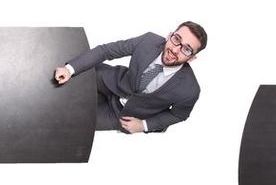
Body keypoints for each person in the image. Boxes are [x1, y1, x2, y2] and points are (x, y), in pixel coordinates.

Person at [54, 21, 206, 134]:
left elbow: (178, 114)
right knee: (66, 73)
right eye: (177, 39)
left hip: (123, 115)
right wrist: (69, 69)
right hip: (111, 82)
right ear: (170, 35)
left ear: (192, 58)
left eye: (186, 49)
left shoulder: (190, 90)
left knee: (70, 122)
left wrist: (144, 125)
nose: (175, 49)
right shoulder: (149, 41)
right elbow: (106, 51)